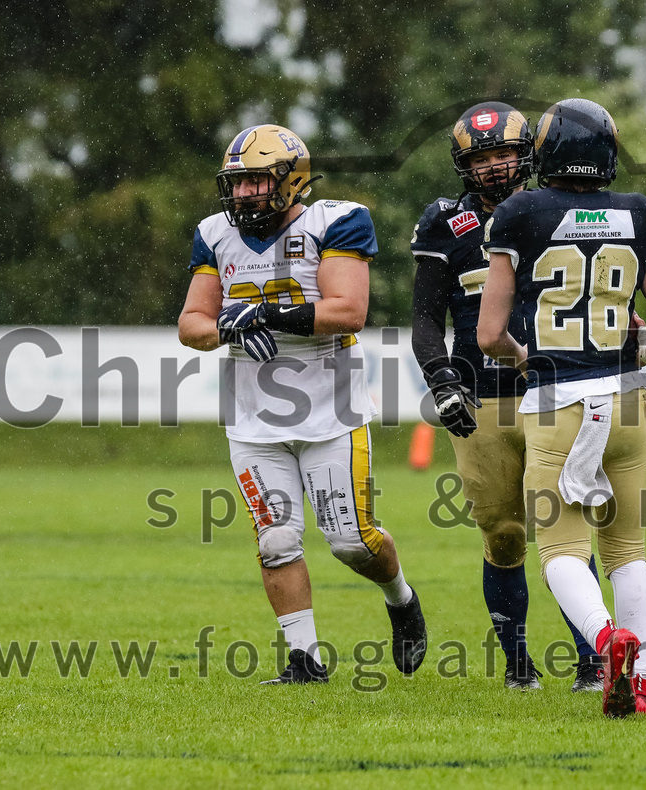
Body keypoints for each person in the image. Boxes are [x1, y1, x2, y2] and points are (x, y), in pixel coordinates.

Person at [178, 124, 427, 684]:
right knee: (277, 539)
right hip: (252, 418)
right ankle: (304, 659)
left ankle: (400, 596)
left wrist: (264, 314)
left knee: (352, 543)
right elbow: (191, 324)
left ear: (290, 181)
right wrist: (228, 327)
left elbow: (348, 311)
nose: (243, 194)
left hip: (330, 412)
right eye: (237, 183)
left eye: (256, 182)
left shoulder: (335, 221)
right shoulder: (214, 233)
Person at [478, 98, 646, 717]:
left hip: (555, 404)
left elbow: (489, 335)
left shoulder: (519, 212)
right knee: (627, 553)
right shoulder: (643, 213)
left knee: (561, 553)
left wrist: (529, 361)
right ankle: (641, 681)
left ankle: (605, 640)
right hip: (626, 404)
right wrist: (631, 353)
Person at [410, 102, 604, 692]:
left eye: (504, 154)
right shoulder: (446, 222)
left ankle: (592, 659)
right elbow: (425, 318)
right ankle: (518, 663)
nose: (494, 167)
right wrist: (442, 381)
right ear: (463, 165)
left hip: (554, 391)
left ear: (528, 156)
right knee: (503, 533)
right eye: (481, 158)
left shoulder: (558, 210)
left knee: (565, 530)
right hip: (483, 399)